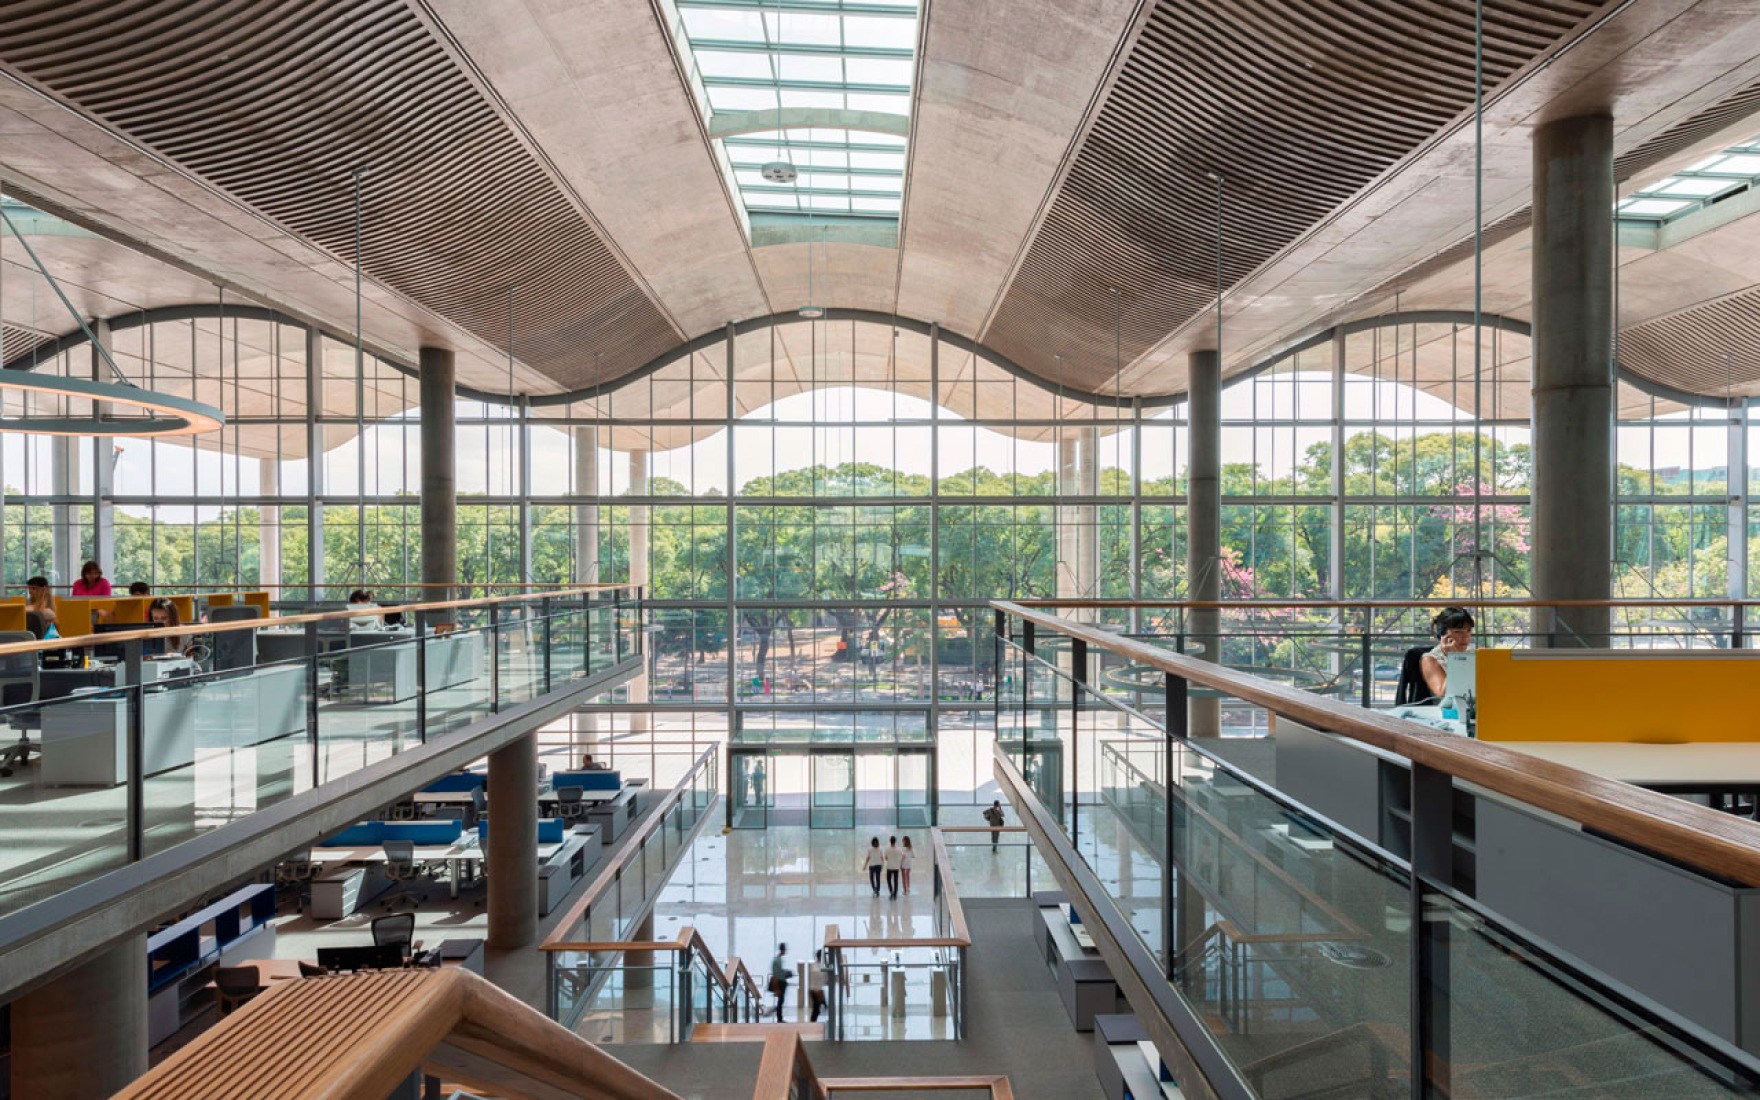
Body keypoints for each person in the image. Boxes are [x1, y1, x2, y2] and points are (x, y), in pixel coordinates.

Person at [1420, 607, 1475, 699]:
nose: (1465, 636)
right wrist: (1455, 658)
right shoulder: (1430, 659)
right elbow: (1444, 694)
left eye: (1468, 630)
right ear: (1443, 634)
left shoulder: (1474, 654)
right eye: (1458, 631)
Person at [769, 943, 791, 1022]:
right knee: (780, 1001)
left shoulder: (778, 959)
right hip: (780, 983)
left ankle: (780, 1018)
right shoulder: (777, 960)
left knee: (781, 1001)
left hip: (780, 982)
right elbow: (776, 974)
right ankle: (779, 1018)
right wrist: (777, 988)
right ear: (783, 950)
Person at [807, 948, 829, 1023]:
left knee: (817, 1009)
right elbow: (823, 978)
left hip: (816, 990)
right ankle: (812, 1023)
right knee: (816, 1009)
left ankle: (813, 1022)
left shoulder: (816, 966)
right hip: (816, 990)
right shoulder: (818, 967)